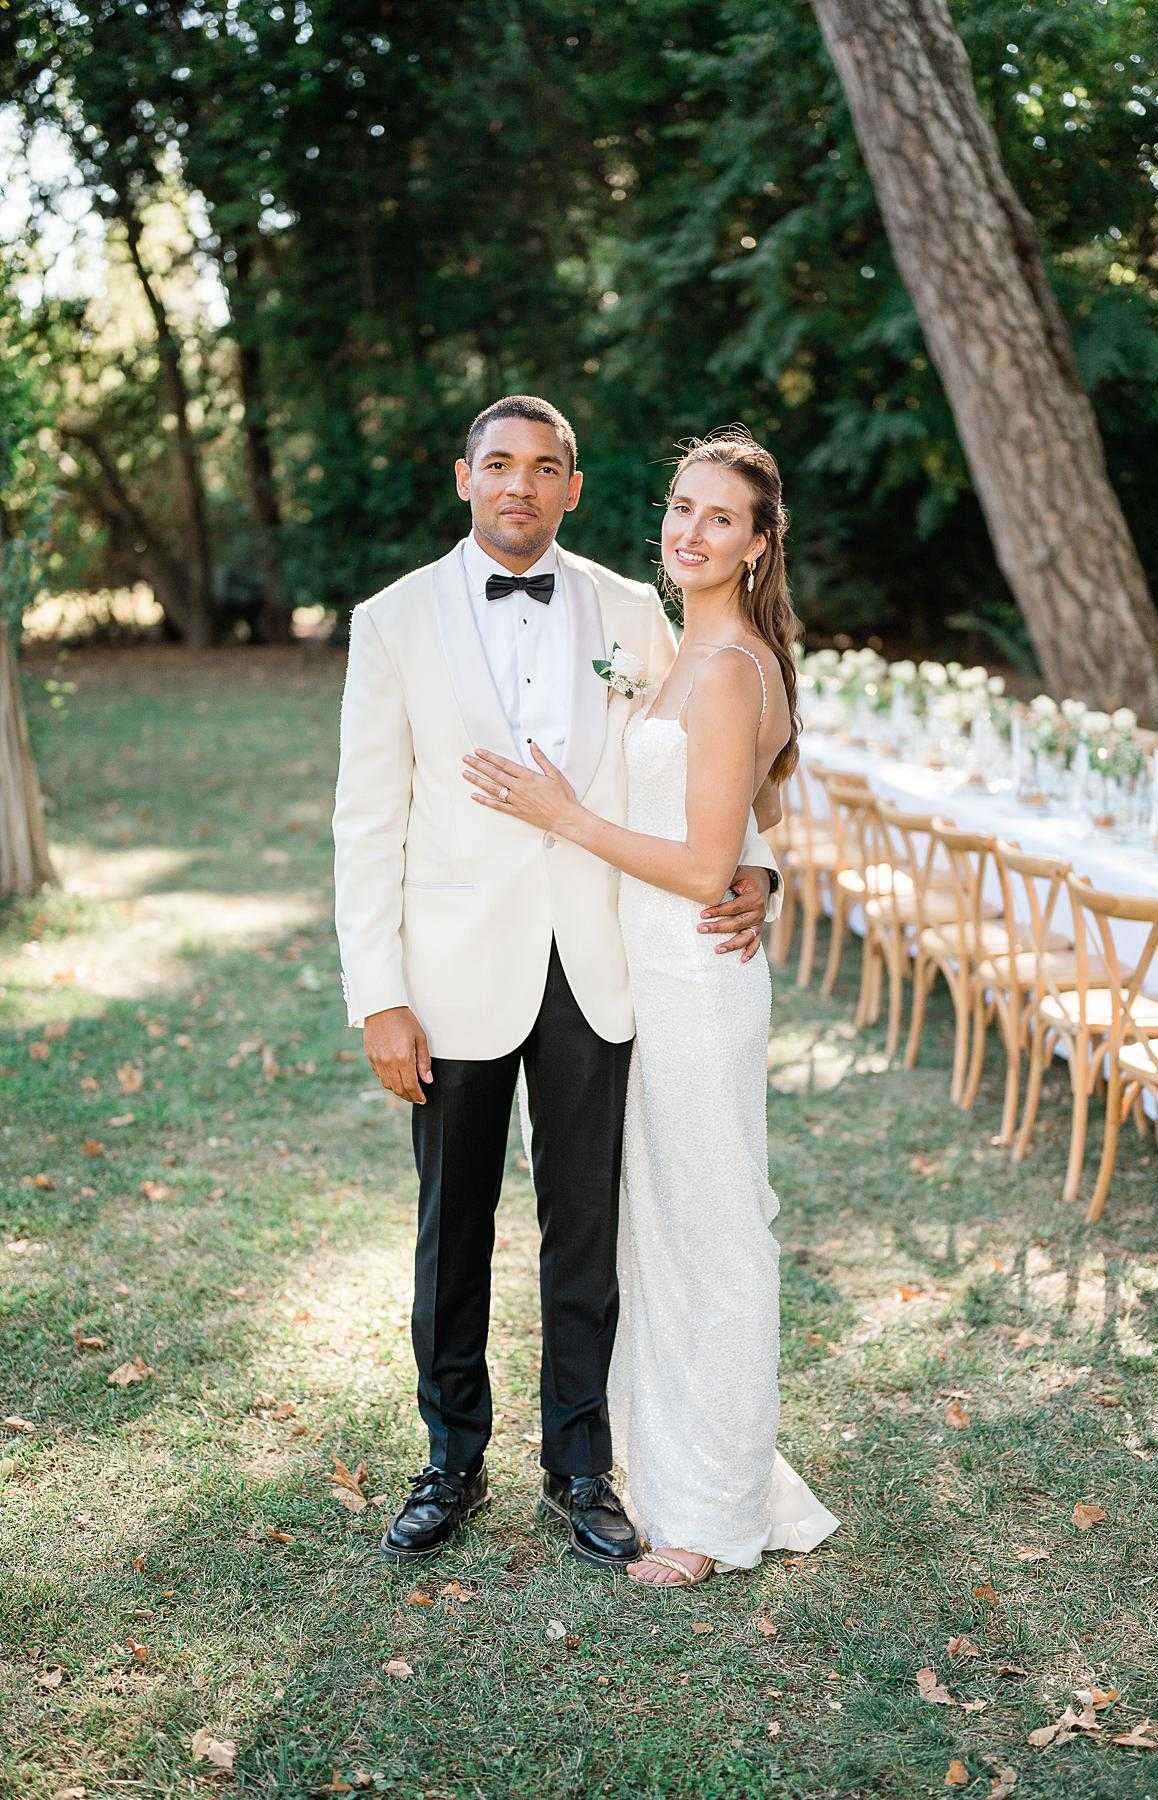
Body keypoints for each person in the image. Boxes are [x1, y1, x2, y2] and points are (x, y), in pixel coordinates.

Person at [332, 396, 782, 1569]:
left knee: (587, 1230)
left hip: (603, 964)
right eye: (499, 465)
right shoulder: (391, 622)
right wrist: (379, 994)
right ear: (465, 478)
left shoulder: (635, 611)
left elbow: (714, 754)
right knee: (453, 1230)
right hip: (451, 975)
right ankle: (451, 1458)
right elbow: (364, 822)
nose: (519, 486)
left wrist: (757, 871)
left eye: (544, 468)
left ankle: (581, 1464)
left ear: (573, 490)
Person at [464, 427, 839, 1586]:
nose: (691, 531)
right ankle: (686, 1472)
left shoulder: (727, 669)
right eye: (682, 506)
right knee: (664, 1233)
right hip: (652, 977)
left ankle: (713, 1520)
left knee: (713, 1235)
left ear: (758, 545)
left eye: (721, 517)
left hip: (695, 980)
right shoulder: (682, 650)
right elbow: (747, 819)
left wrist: (565, 816)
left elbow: (700, 861)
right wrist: (761, 870)